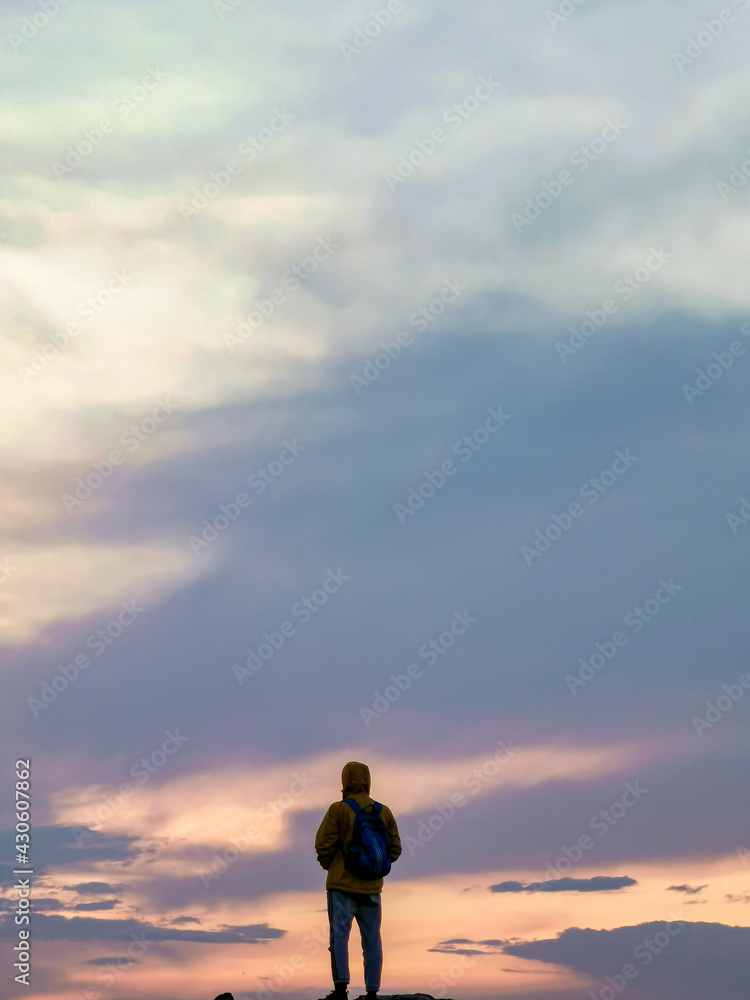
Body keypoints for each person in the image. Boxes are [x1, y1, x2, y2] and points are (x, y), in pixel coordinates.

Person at [315, 761, 401, 1000]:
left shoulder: (338, 809)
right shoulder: (383, 812)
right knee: (372, 939)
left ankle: (341, 990)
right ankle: (372, 992)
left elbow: (323, 845)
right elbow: (395, 849)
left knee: (339, 936)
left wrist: (331, 865)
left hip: (341, 886)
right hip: (372, 888)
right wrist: (374, 868)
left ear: (344, 782)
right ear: (367, 781)